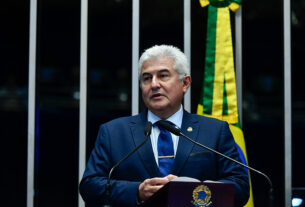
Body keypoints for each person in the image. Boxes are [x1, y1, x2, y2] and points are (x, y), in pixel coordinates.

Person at [79, 45, 249, 207]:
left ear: (185, 83)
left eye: (163, 76)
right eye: (147, 78)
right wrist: (137, 191)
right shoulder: (113, 132)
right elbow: (89, 186)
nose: (154, 84)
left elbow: (240, 188)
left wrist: (192, 192)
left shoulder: (215, 131)